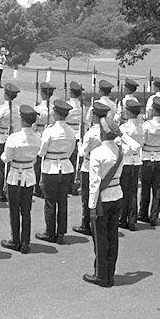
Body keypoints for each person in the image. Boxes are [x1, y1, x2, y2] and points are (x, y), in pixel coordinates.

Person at [83, 116, 124, 288]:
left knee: (100, 239)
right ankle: (110, 273)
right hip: (117, 195)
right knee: (112, 236)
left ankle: (101, 275)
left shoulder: (97, 153)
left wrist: (91, 206)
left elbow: (94, 184)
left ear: (101, 133)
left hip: (102, 199)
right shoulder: (121, 150)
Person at [0, 105, 41, 254]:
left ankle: (15, 240)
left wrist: (3, 153)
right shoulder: (37, 138)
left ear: (22, 120)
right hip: (29, 176)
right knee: (26, 211)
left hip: (15, 176)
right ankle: (25, 242)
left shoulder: (14, 137)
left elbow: (6, 158)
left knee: (14, 210)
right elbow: (37, 156)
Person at [36, 99, 77, 244]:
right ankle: (61, 233)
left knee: (50, 201)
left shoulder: (49, 130)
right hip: (65, 167)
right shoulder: (71, 132)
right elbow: (72, 151)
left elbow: (41, 152)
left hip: (51, 168)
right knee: (62, 201)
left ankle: (49, 231)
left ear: (56, 113)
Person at [73, 101, 110, 236]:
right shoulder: (107, 130)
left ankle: (86, 224)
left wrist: (79, 144)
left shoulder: (91, 133)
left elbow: (83, 152)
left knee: (87, 197)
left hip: (89, 166)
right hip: (104, 166)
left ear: (94, 116)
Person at [138, 97, 160, 226]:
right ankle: (154, 215)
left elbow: (142, 142)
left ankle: (143, 213)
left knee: (145, 188)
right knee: (156, 187)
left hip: (147, 157)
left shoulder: (147, 125)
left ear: (154, 110)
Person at [0, 83, 21, 202]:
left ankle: (2, 191)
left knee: (0, 166)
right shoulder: (17, 109)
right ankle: (9, 189)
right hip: (12, 138)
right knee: (10, 165)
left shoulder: (2, 109)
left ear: (6, 94)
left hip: (1, 139)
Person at [118, 100, 143, 231]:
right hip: (136, 160)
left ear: (128, 112)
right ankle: (132, 219)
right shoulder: (142, 128)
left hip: (126, 161)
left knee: (123, 191)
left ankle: (122, 219)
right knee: (133, 191)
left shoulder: (124, 128)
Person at [33, 81, 55, 197]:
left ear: (42, 93)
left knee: (37, 163)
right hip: (50, 134)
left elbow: (34, 124)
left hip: (39, 134)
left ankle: (37, 186)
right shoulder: (54, 108)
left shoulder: (38, 108)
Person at [65, 81, 85, 195]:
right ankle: (73, 183)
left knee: (68, 160)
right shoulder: (82, 107)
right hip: (78, 135)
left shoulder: (68, 105)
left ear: (71, 92)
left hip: (69, 134)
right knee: (75, 162)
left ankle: (69, 184)